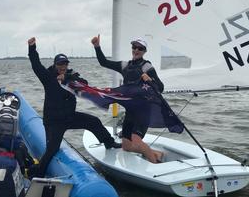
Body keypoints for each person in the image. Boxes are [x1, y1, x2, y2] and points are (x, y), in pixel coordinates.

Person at [27, 37, 121, 178]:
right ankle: (39, 174)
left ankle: (109, 143)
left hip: (70, 117)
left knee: (94, 121)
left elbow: (85, 83)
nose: (62, 66)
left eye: (65, 64)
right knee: (52, 149)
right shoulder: (48, 77)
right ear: (55, 65)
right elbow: (36, 65)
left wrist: (67, 77)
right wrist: (32, 48)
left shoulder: (71, 77)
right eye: (60, 64)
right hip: (53, 122)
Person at [91, 35, 164, 163]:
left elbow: (160, 88)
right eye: (134, 47)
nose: (136, 50)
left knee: (135, 139)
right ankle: (156, 154)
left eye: (140, 48)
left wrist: (150, 80)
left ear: (144, 51)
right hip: (130, 111)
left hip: (144, 111)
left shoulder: (147, 67)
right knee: (126, 146)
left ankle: (156, 164)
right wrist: (97, 47)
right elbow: (104, 62)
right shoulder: (125, 66)